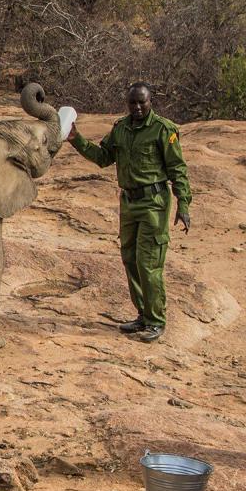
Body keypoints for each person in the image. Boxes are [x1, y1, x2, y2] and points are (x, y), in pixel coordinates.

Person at [68, 81, 192, 342]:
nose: (137, 107)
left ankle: (156, 321)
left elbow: (177, 169)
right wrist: (75, 139)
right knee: (130, 258)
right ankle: (143, 315)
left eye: (142, 102)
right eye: (132, 103)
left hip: (153, 203)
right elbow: (103, 157)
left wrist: (184, 204)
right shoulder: (121, 129)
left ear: (150, 102)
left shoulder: (163, 130)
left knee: (149, 263)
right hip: (128, 202)